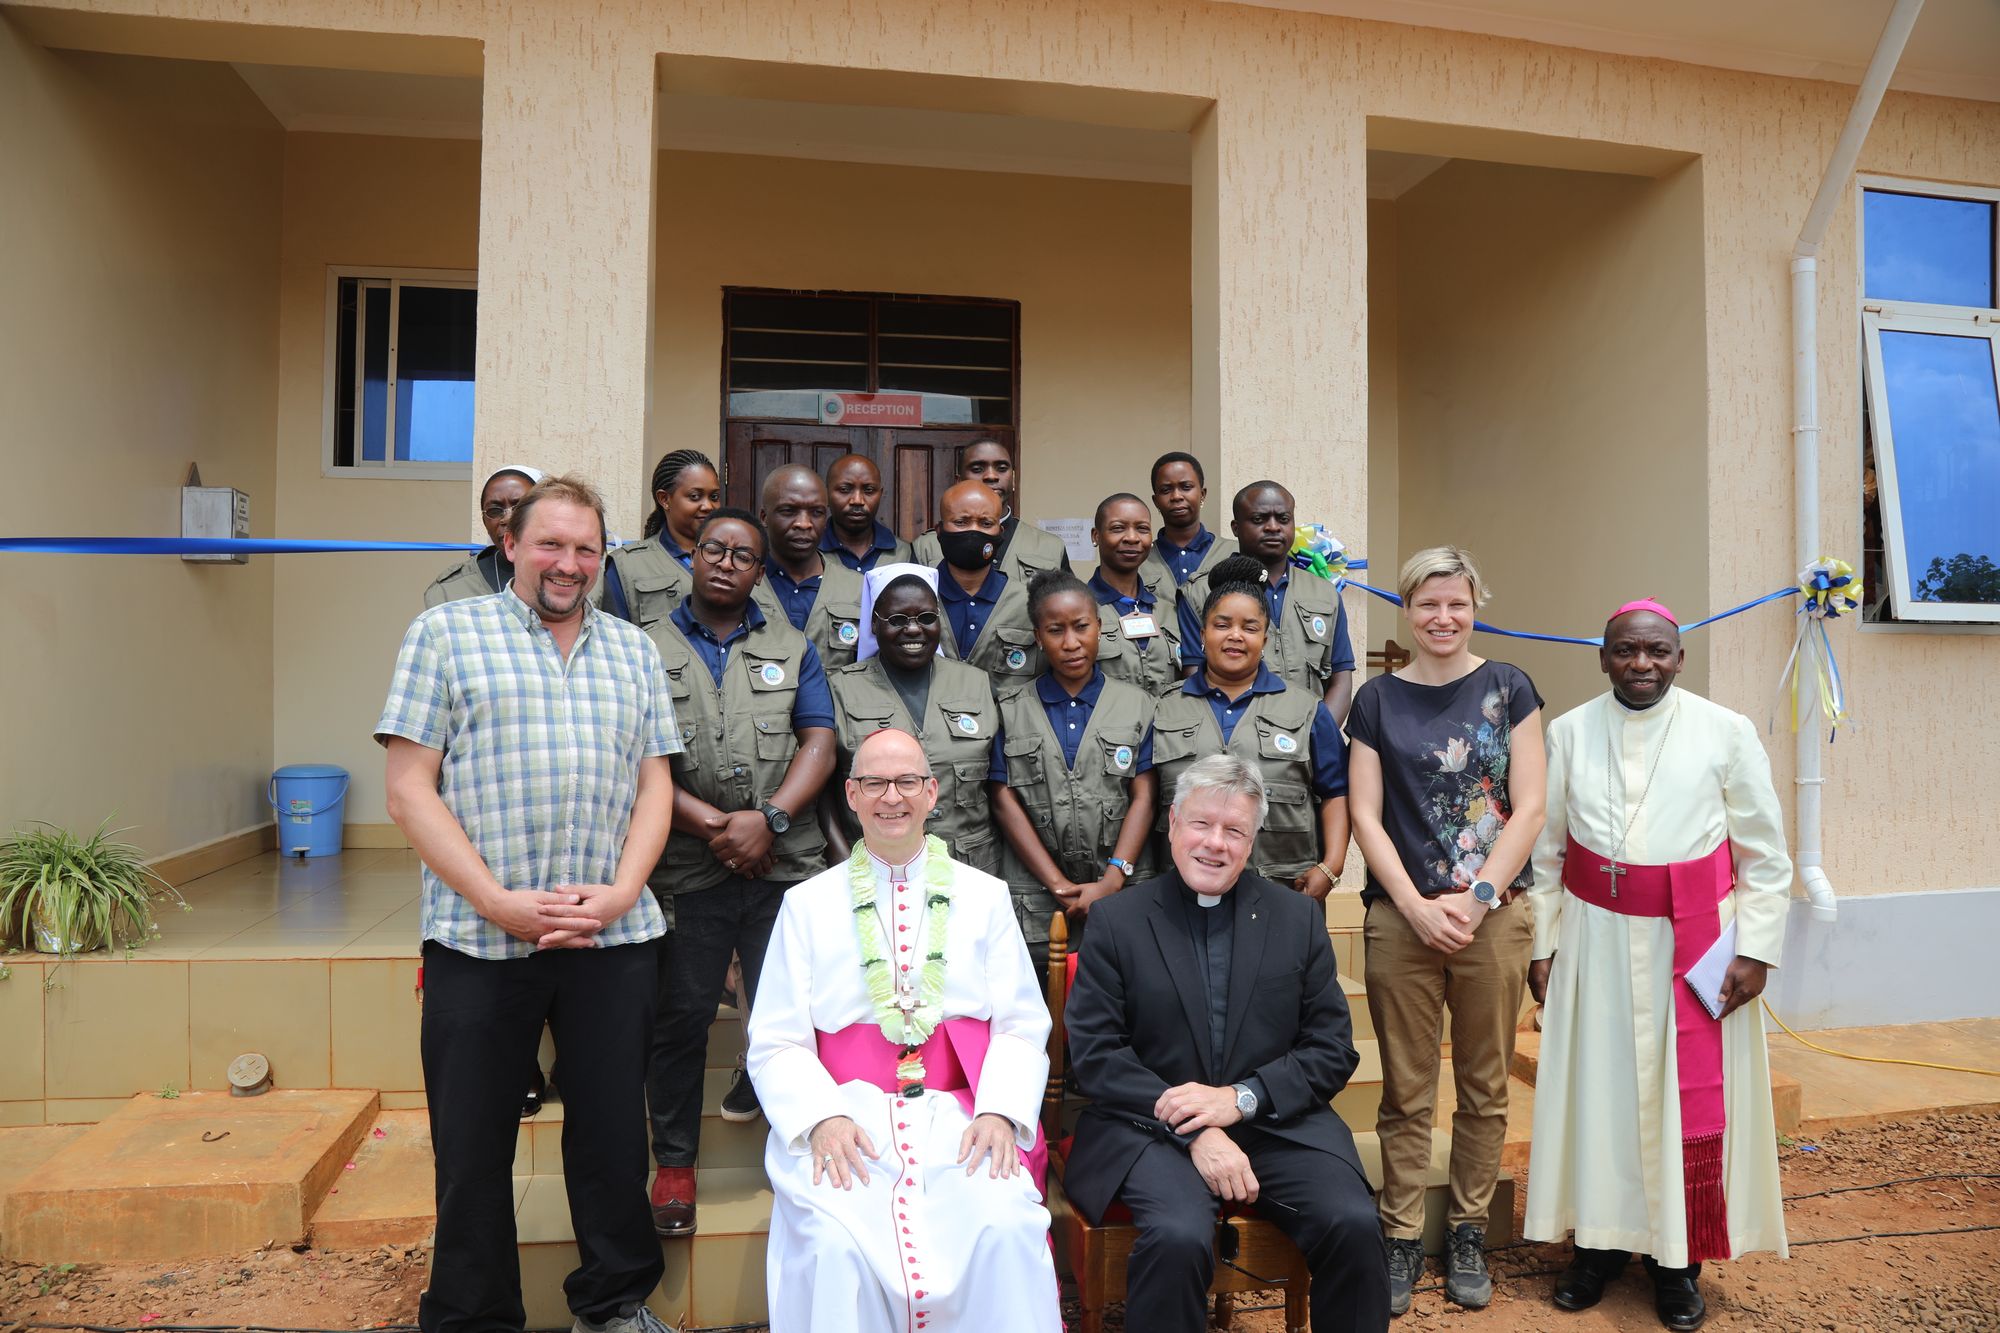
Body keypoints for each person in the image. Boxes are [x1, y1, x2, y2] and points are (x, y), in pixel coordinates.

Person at [376, 475, 677, 1333]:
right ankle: (473, 1315)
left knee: (615, 1136)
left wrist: (622, 891)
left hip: (611, 937)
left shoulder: (632, 648)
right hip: (480, 940)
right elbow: (408, 789)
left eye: (587, 548)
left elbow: (655, 783)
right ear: (509, 543)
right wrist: (496, 901)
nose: (569, 563)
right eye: (550, 543)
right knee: (472, 1147)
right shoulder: (444, 633)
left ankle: (614, 1303)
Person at [1523, 599, 1791, 1332]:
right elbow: (1547, 856)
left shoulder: (1725, 730)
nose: (1642, 664)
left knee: (1682, 1102)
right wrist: (1544, 946)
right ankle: (1599, 1249)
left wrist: (1757, 950)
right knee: (1601, 1094)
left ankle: (1677, 1262)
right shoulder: (1570, 730)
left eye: (1657, 652)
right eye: (1626, 651)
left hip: (1697, 943)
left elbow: (1764, 854)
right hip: (1596, 938)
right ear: (1603, 657)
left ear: (1679, 657)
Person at [747, 727, 1062, 1333]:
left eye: (907, 782)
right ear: (852, 796)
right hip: (849, 1119)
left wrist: (998, 1111)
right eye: (875, 783)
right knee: (835, 1248)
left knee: (1005, 1225)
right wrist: (821, 1119)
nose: (892, 797)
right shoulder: (806, 904)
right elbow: (778, 1038)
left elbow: (1022, 1023)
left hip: (959, 1117)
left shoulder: (986, 896)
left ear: (932, 792)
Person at [1064, 754, 1390, 1333]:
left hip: (1274, 1123)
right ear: (1171, 822)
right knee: (1178, 1236)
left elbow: (1332, 1048)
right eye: (1201, 824)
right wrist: (1195, 1125)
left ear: (1252, 838)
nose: (1215, 844)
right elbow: (1096, 1056)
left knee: (1352, 1222)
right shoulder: (1117, 921)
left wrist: (1239, 1100)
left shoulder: (1297, 919)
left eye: (1234, 830)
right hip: (1148, 1129)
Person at [1344, 547, 1546, 1316]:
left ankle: (1465, 1230)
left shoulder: (1510, 687)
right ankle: (1398, 1235)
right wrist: (1418, 904)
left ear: (1475, 604)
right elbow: (1365, 812)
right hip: (1403, 918)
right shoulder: (1376, 698)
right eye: (1428, 604)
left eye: (1456, 603)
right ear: (1407, 608)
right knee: (1406, 1086)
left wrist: (1480, 894)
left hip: (1492, 917)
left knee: (1486, 1084)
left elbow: (1529, 806)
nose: (1443, 617)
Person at [639, 507, 837, 1238]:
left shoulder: (793, 644)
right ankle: (677, 1164)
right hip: (687, 865)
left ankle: (804, 1153)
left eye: (743, 555)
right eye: (714, 548)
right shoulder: (642, 645)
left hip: (782, 864)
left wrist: (771, 818)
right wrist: (716, 825)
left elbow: (819, 737)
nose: (726, 561)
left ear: (760, 571)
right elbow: (638, 754)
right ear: (692, 554)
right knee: (683, 1015)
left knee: (793, 1016)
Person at [990, 569, 1159, 968]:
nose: (1071, 643)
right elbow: (1002, 799)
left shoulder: (1139, 704)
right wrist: (1058, 884)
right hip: (1037, 899)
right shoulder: (1011, 710)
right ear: (1037, 637)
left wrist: (1114, 877)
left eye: (1081, 627)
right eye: (1055, 630)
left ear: (1100, 626)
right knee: (1044, 1013)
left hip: (1124, 890)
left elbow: (1145, 796)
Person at [1152, 556, 1349, 897]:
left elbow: (1335, 792)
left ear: (1266, 637)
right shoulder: (1162, 710)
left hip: (1286, 891)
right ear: (1202, 634)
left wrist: (1332, 865)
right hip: (1178, 894)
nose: (1235, 636)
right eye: (1222, 625)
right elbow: (1142, 799)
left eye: (1250, 627)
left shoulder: (1308, 710)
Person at [824, 565, 1004, 874]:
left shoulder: (976, 683)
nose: (913, 629)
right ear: (873, 623)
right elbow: (824, 788)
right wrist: (839, 851)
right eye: (897, 620)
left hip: (970, 867)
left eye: (926, 618)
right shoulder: (840, 688)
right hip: (873, 867)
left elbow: (1000, 786)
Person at [1179, 480, 1356, 726]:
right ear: (1236, 527)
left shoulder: (1324, 593)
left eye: (1283, 519)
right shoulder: (1200, 591)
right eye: (1259, 519)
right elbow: (1194, 676)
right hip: (1232, 743)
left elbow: (1341, 679)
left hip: (1307, 744)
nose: (1273, 527)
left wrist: (1317, 737)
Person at [931, 479, 1045, 687]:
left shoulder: (1031, 603)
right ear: (939, 531)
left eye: (985, 523)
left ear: (1000, 534)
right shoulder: (917, 596)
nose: (973, 532)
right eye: (961, 522)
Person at [755, 463, 866, 668]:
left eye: (816, 513)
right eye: (789, 511)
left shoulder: (858, 590)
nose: (804, 523)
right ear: (764, 517)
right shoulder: (744, 585)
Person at [913, 438, 1071, 581]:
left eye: (1001, 468)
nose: (991, 476)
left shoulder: (1050, 547)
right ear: (959, 481)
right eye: (977, 469)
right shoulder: (926, 547)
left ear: (1013, 479)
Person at [602, 448, 722, 625]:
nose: (708, 505)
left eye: (714, 496)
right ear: (664, 499)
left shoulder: (734, 560)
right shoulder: (626, 566)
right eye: (695, 496)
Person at [1089, 491, 1182, 696]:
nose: (1132, 538)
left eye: (1142, 529)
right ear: (1096, 536)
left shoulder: (1171, 611)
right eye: (1118, 528)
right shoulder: (1080, 611)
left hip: (1168, 726)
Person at [423, 465, 544, 607]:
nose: (507, 518)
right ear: (484, 521)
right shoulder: (450, 590)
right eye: (494, 510)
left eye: (519, 507)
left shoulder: (567, 574)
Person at [1139, 451, 1237, 594]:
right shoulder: (1140, 561)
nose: (1176, 496)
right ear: (1156, 501)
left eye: (1186, 487)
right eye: (1166, 490)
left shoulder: (1234, 553)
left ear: (1202, 495)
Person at [822, 453, 914, 574]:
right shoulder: (809, 551)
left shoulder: (904, 554)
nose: (857, 500)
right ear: (825, 494)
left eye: (869, 490)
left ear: (880, 495)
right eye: (845, 489)